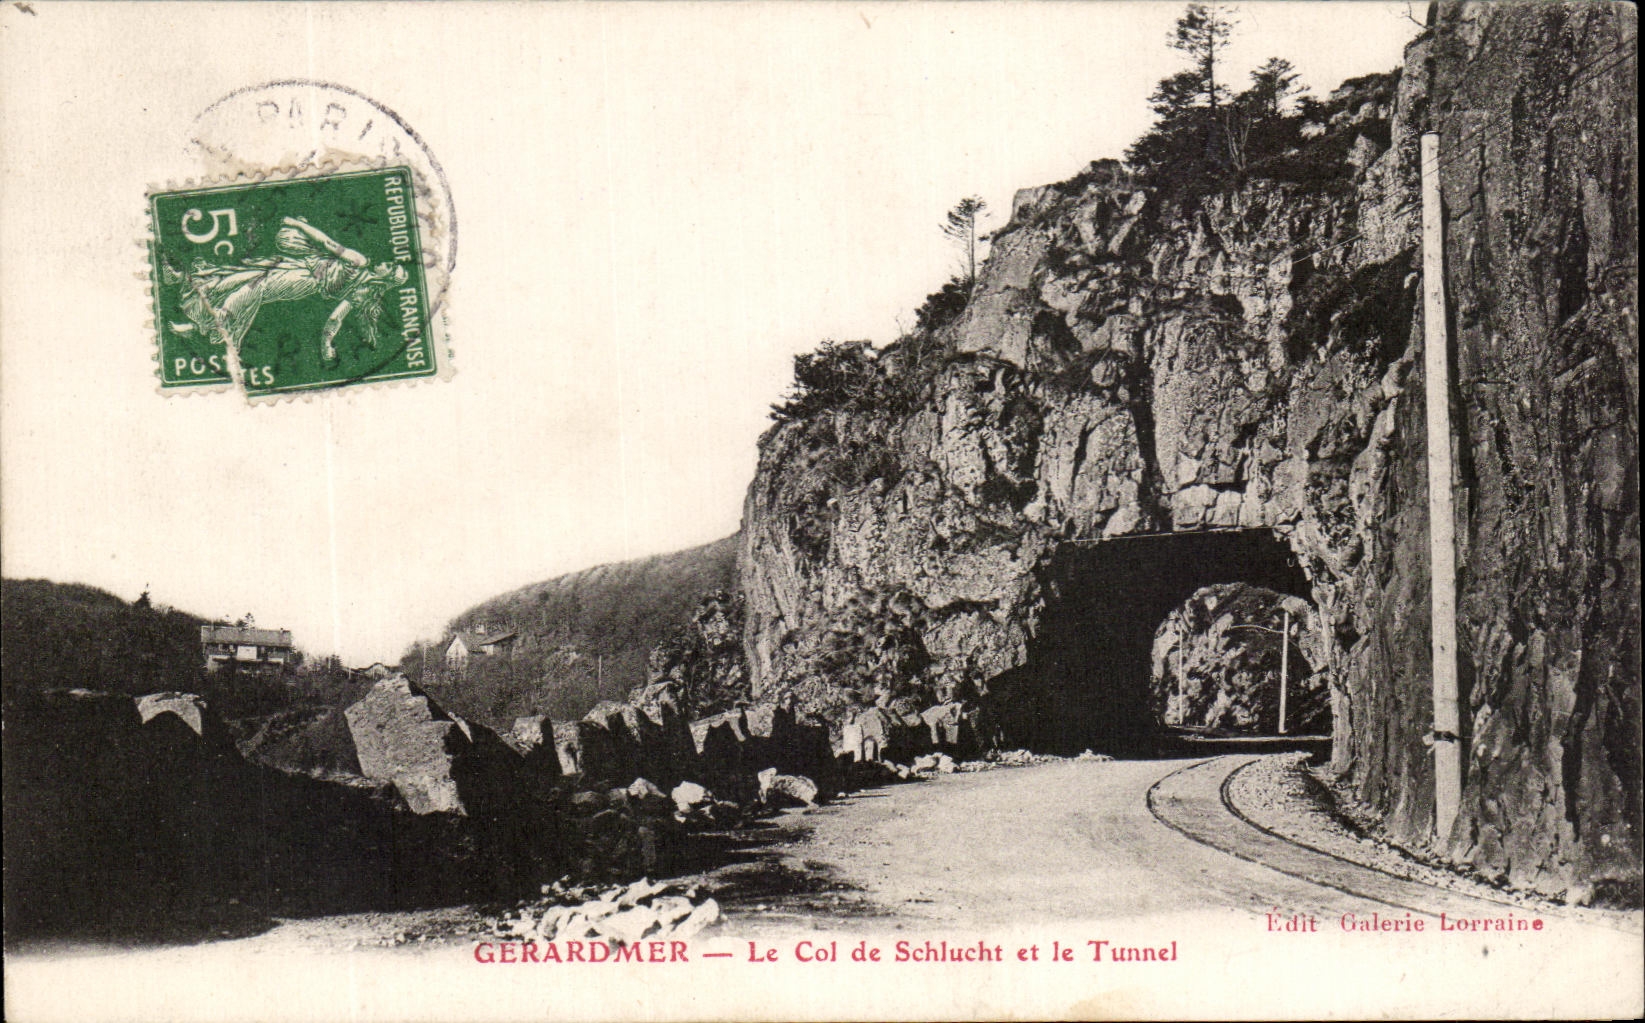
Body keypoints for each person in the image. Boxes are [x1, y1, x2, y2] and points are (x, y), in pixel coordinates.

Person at [169, 216, 408, 363]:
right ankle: (190, 294)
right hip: (301, 265)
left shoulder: (361, 263)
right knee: (241, 276)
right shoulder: (361, 293)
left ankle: (209, 319)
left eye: (389, 267)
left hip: (306, 278)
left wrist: (298, 224)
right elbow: (335, 319)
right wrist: (326, 344)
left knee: (257, 286)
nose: (385, 263)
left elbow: (328, 243)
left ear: (385, 277)